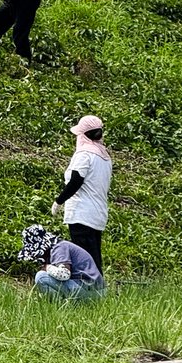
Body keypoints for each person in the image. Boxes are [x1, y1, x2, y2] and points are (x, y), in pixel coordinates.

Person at [50, 114, 113, 274]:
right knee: (93, 255)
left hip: (82, 213)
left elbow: (76, 180)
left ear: (84, 135)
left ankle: (88, 291)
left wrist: (59, 201)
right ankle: (99, 289)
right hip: (98, 214)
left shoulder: (84, 155)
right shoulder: (105, 157)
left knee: (83, 257)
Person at [18, 225, 106, 300]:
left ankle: (60, 306)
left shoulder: (58, 248)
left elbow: (64, 274)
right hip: (94, 290)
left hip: (91, 292)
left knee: (41, 277)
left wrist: (47, 267)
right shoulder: (61, 246)